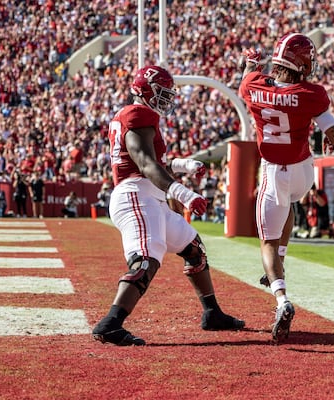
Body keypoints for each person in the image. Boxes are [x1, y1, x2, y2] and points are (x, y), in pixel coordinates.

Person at [92, 65, 244, 347]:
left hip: (150, 197)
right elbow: (146, 164)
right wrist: (185, 195)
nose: (165, 100)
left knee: (193, 248)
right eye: (161, 93)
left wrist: (184, 165)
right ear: (144, 90)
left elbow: (153, 163)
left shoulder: (135, 117)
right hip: (136, 195)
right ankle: (111, 323)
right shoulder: (138, 114)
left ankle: (212, 313)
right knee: (146, 259)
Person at [239, 33, 334, 341]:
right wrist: (331, 135)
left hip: (274, 169)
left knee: (267, 243)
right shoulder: (311, 93)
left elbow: (246, 79)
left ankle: (281, 298)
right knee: (289, 205)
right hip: (303, 171)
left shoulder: (253, 85)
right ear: (300, 62)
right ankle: (281, 264)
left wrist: (250, 64)